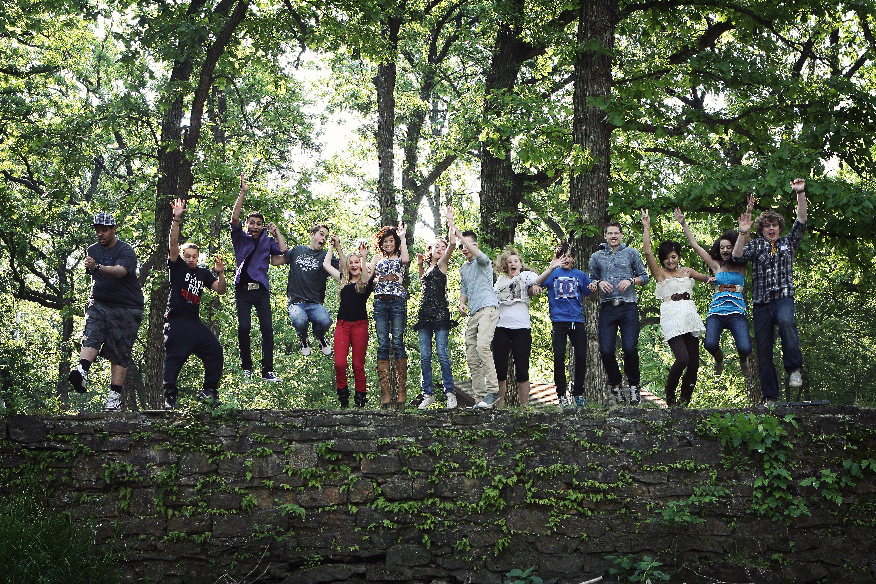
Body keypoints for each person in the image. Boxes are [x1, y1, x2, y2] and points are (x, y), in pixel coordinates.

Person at [732, 178, 808, 404]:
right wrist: (743, 232)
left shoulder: (788, 242)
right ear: (762, 229)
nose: (771, 228)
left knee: (786, 323)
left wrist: (800, 193)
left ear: (779, 228)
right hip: (762, 303)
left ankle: (794, 369)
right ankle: (770, 397)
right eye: (767, 225)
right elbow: (737, 255)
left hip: (783, 298)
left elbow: (802, 220)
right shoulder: (755, 245)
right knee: (764, 349)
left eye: (774, 225)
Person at [68, 212, 144, 411]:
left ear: (113, 230)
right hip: (99, 303)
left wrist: (98, 266)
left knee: (120, 350)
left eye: (104, 231)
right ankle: (82, 371)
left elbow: (119, 272)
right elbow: (93, 275)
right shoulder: (92, 250)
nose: (100, 234)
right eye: (97, 231)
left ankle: (114, 397)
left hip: (127, 307)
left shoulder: (126, 251)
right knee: (91, 335)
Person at [676, 202, 753, 377]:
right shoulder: (715, 265)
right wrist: (683, 224)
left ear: (734, 247)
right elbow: (695, 245)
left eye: (728, 246)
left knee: (745, 347)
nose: (725, 250)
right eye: (722, 247)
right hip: (717, 312)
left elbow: (745, 240)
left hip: (736, 311)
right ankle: (719, 359)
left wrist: (748, 214)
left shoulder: (741, 265)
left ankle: (743, 359)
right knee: (709, 344)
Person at [642, 210, 711, 406]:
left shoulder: (687, 271)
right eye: (666, 258)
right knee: (682, 359)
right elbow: (647, 252)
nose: (670, 261)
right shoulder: (660, 274)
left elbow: (707, 278)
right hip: (672, 316)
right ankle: (670, 398)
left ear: (678, 256)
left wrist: (715, 278)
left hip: (689, 315)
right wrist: (646, 227)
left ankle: (684, 402)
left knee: (694, 364)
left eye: (673, 257)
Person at [163, 199, 227, 409]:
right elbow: (172, 244)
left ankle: (209, 390)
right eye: (187, 256)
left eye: (194, 257)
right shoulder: (178, 267)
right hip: (177, 320)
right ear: (182, 256)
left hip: (194, 322)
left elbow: (220, 289)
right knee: (174, 359)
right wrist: (176, 218)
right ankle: (170, 398)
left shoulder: (202, 273)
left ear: (199, 258)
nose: (191, 259)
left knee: (215, 350)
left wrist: (221, 273)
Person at [230, 173, 287, 382]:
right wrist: (242, 192)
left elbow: (282, 250)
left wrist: (276, 231)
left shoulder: (267, 240)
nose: (254, 226)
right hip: (243, 290)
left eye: (258, 224)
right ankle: (247, 368)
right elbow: (234, 219)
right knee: (244, 327)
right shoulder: (240, 238)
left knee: (267, 329)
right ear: (247, 224)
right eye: (252, 223)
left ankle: (267, 370)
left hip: (261, 290)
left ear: (263, 226)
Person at [588, 221, 650, 406]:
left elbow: (645, 277)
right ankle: (615, 385)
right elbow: (591, 281)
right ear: (605, 236)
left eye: (616, 233)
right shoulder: (596, 257)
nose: (613, 236)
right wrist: (598, 284)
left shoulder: (631, 253)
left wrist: (631, 280)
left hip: (628, 306)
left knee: (630, 348)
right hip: (607, 307)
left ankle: (633, 386)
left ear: (621, 235)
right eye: (610, 233)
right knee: (605, 350)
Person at [480, 246, 542, 409]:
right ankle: (498, 408)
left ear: (521, 264)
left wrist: (536, 287)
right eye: (509, 262)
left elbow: (537, 283)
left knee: (522, 369)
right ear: (505, 265)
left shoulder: (526, 277)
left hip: (522, 329)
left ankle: (524, 408)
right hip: (501, 328)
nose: (513, 264)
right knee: (499, 370)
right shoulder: (500, 280)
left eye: (516, 261)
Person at [532, 242, 591, 409]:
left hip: (577, 320)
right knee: (559, 358)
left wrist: (593, 287)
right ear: (557, 258)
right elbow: (536, 284)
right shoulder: (552, 273)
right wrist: (537, 285)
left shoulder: (580, 275)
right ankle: (561, 395)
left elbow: (589, 293)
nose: (566, 259)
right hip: (559, 321)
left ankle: (578, 394)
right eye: (562, 256)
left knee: (581, 357)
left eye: (569, 256)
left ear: (573, 258)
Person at [414, 208, 458, 410]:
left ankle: (450, 392)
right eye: (436, 246)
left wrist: (450, 221)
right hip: (424, 314)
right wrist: (421, 265)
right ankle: (428, 394)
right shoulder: (428, 267)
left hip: (440, 313)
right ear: (430, 249)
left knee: (441, 353)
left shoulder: (442, 264)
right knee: (425, 355)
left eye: (442, 247)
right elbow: (423, 282)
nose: (440, 248)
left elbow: (452, 244)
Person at [323, 237, 374, 408]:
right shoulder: (343, 280)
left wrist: (364, 256)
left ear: (360, 264)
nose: (353, 265)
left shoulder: (365, 282)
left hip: (360, 325)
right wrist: (333, 246)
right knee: (339, 363)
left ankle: (360, 401)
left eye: (356, 262)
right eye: (350, 262)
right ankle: (343, 398)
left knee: (358, 365)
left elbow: (366, 280)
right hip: (343, 326)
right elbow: (326, 265)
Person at [455, 225, 500, 404]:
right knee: (472, 355)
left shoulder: (483, 261)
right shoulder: (463, 268)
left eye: (467, 245)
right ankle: (480, 398)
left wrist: (458, 233)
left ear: (475, 245)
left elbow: (477, 253)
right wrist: (462, 303)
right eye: (461, 246)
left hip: (488, 309)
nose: (464, 249)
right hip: (473, 313)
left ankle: (494, 391)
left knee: (483, 346)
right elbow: (464, 288)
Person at [283, 224, 340, 358]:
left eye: (326, 236)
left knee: (326, 321)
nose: (324, 238)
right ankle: (303, 339)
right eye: (321, 234)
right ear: (312, 234)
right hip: (296, 302)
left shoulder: (326, 256)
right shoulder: (297, 250)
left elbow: (342, 271)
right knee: (299, 320)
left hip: (315, 303)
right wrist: (272, 241)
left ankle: (320, 337)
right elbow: (276, 260)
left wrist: (337, 247)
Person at [370, 223, 410, 409]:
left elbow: (407, 259)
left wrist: (402, 237)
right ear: (381, 243)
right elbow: (367, 275)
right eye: (385, 241)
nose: (388, 244)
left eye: (391, 241)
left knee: (398, 342)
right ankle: (385, 391)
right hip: (379, 301)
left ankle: (401, 390)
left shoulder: (400, 256)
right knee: (383, 343)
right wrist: (364, 259)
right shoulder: (377, 258)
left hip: (397, 301)